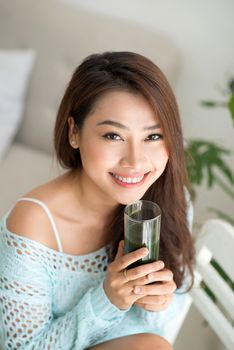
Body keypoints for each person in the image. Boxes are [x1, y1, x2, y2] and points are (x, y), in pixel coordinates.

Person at [0, 51, 195, 350]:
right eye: (113, 136)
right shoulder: (32, 229)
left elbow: (159, 330)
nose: (135, 160)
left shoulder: (169, 200)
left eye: (153, 137)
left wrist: (159, 303)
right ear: (74, 132)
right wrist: (107, 300)